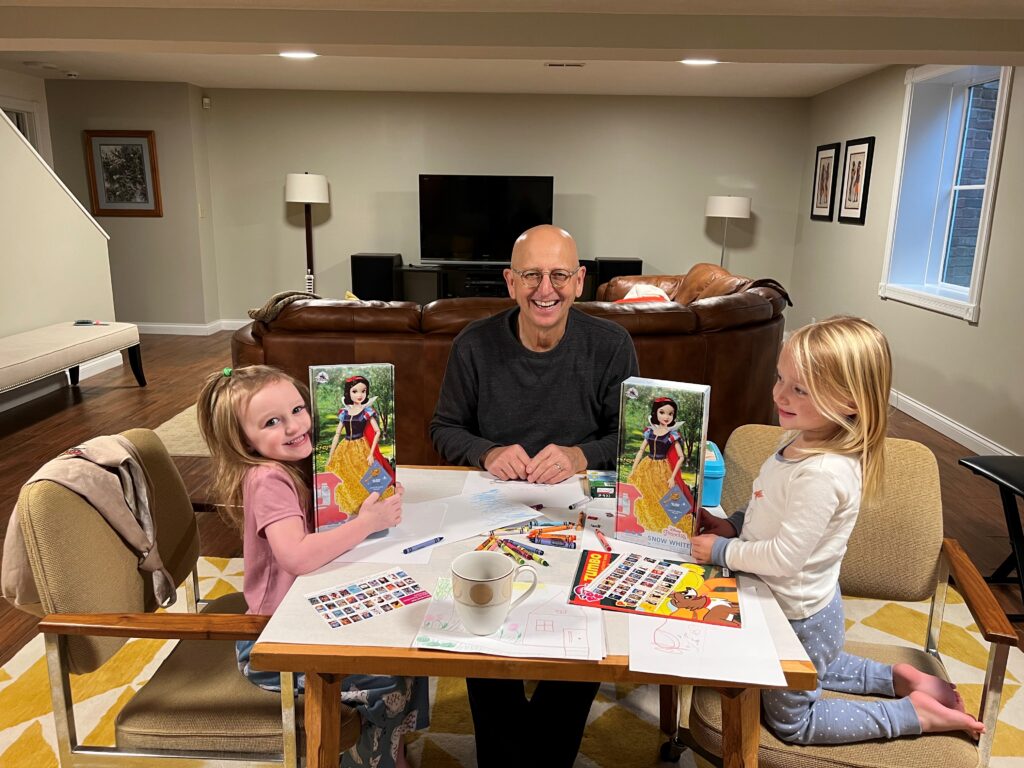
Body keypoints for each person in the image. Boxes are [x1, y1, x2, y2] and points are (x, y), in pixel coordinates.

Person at [690, 316, 985, 745]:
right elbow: (769, 506)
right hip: (800, 614)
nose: (778, 394)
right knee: (820, 665)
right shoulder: (801, 439)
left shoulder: (822, 473)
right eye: (780, 378)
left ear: (850, 402)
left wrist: (720, 551)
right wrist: (733, 525)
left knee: (794, 724)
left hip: (796, 619)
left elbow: (785, 557)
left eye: (799, 389)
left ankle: (913, 714)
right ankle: (896, 677)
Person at [430, 224, 639, 767]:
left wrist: (578, 455)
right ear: (509, 282)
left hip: (582, 515)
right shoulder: (473, 343)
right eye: (531, 275)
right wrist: (487, 451)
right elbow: (444, 427)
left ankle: (545, 751)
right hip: (489, 514)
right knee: (480, 614)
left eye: (559, 275)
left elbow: (631, 437)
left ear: (580, 280)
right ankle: (502, 753)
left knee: (586, 621)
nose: (545, 289)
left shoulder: (612, 344)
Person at [197, 365, 428, 768]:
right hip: (274, 644)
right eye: (272, 422)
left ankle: (389, 745)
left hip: (307, 614)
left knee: (407, 658)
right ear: (243, 440)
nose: (293, 426)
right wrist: (367, 523)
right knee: (388, 677)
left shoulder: (295, 463)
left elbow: (330, 517)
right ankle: (371, 757)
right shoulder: (268, 479)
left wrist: (379, 493)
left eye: (298, 410)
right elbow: (298, 555)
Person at [325, 374, 395, 515]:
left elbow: (377, 432)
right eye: (355, 391)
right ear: (348, 393)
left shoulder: (367, 412)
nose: (360, 395)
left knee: (365, 476)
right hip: (345, 448)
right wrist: (331, 455)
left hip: (361, 447)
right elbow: (337, 434)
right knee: (347, 477)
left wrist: (370, 454)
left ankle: (373, 506)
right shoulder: (344, 413)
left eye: (363, 391)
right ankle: (353, 507)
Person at [626, 396, 695, 536]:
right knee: (645, 493)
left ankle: (670, 525)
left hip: (663, 468)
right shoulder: (650, 432)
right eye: (662, 412)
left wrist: (672, 477)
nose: (666, 416)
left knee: (666, 495)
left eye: (670, 414)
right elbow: (641, 450)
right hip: (647, 466)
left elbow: (681, 457)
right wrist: (633, 469)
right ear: (655, 413)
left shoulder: (672, 435)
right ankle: (647, 522)